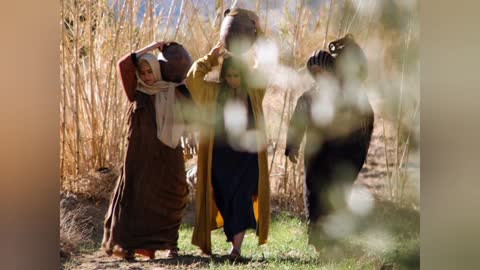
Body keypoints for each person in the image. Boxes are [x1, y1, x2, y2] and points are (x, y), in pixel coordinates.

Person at [101, 41, 193, 260]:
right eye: (142, 71)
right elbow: (123, 64)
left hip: (168, 152)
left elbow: (192, 114)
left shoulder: (174, 89)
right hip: (140, 155)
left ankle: (171, 244)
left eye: (150, 71)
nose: (147, 75)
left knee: (175, 193)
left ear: (159, 70)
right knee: (137, 198)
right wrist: (152, 46)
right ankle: (131, 246)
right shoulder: (136, 90)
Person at [285, 35, 374, 249]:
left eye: (322, 71)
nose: (318, 76)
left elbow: (365, 123)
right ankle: (316, 236)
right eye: (314, 73)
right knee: (312, 193)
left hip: (345, 155)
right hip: (315, 156)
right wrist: (292, 146)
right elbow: (298, 122)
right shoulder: (308, 97)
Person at [185, 41, 270, 259]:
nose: (233, 80)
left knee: (241, 199)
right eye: (229, 75)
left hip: (247, 157)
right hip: (220, 159)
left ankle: (236, 250)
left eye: (237, 75)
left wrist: (257, 50)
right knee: (225, 199)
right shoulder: (212, 92)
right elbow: (192, 79)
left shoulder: (253, 92)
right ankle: (234, 244)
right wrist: (211, 57)